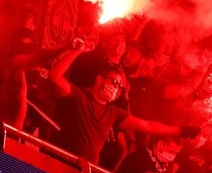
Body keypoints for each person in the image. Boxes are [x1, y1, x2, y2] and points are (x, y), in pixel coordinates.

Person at [45, 44, 200, 165]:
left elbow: (147, 126)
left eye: (119, 86)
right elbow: (54, 76)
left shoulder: (113, 113)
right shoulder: (79, 96)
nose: (116, 88)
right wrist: (77, 50)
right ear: (99, 79)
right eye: (113, 82)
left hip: (86, 170)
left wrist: (180, 131)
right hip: (61, 160)